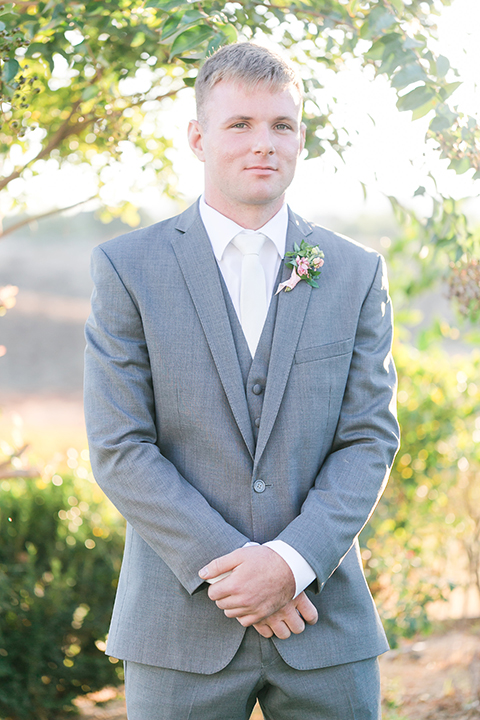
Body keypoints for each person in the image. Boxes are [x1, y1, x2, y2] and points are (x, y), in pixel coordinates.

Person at [84, 42, 400, 720]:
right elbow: (120, 445)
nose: (264, 143)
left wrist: (289, 564)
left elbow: (368, 440)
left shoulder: (352, 272)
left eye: (281, 125)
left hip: (323, 620)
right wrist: (239, 572)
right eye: (240, 125)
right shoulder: (127, 268)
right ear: (198, 138)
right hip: (179, 628)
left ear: (301, 138)